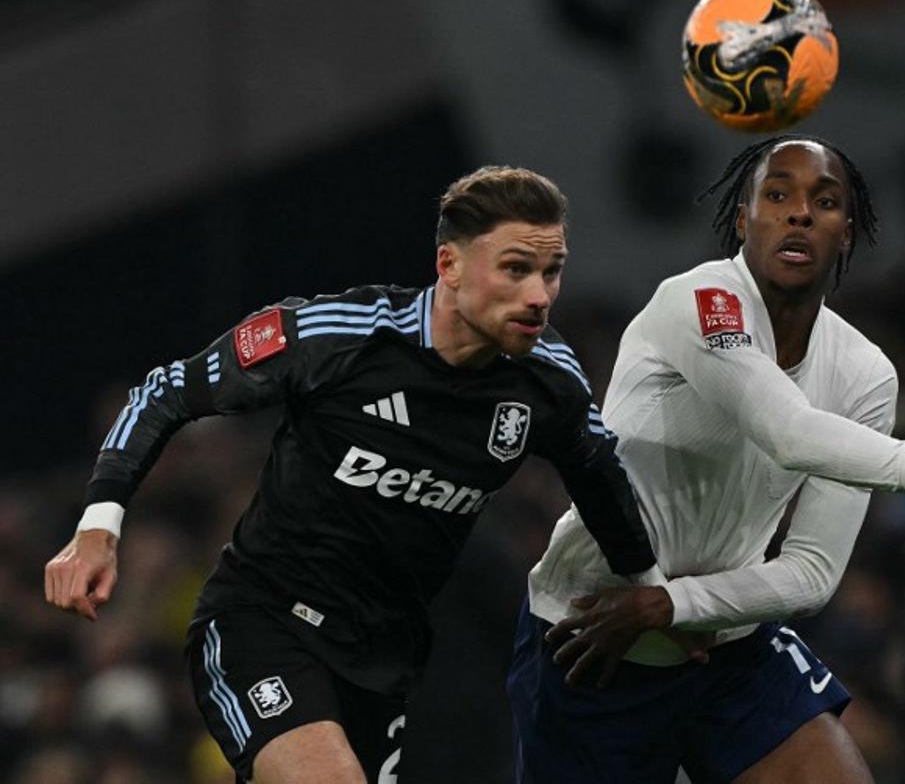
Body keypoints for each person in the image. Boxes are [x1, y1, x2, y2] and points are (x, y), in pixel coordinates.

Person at [43, 166, 667, 784]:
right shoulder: (341, 336)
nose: (540, 295)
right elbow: (166, 392)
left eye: (551, 271)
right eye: (515, 269)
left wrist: (653, 592)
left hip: (386, 660)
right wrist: (100, 524)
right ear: (449, 266)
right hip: (264, 626)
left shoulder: (549, 380)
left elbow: (600, 480)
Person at [507, 135, 905, 784]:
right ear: (741, 219)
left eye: (826, 201)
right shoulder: (699, 302)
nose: (800, 212)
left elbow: (810, 573)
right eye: (776, 194)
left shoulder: (864, 375)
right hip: (592, 639)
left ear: (848, 232)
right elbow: (789, 432)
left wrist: (678, 605)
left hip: (724, 641)